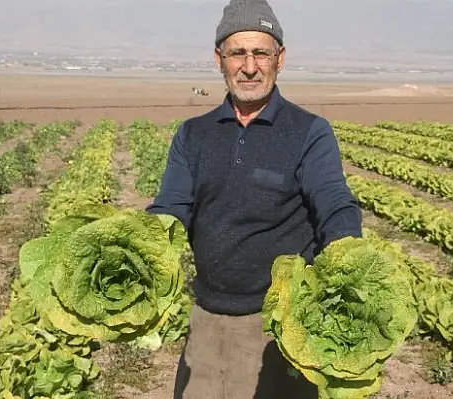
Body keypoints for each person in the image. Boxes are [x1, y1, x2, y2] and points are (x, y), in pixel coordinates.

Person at [146, 0, 363, 397]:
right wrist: (139, 242)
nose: (249, 67)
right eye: (237, 53)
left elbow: (333, 201)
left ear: (281, 58)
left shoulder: (309, 132)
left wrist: (348, 254)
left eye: (261, 52)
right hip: (206, 322)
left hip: (281, 328)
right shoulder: (193, 134)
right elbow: (171, 207)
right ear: (219, 59)